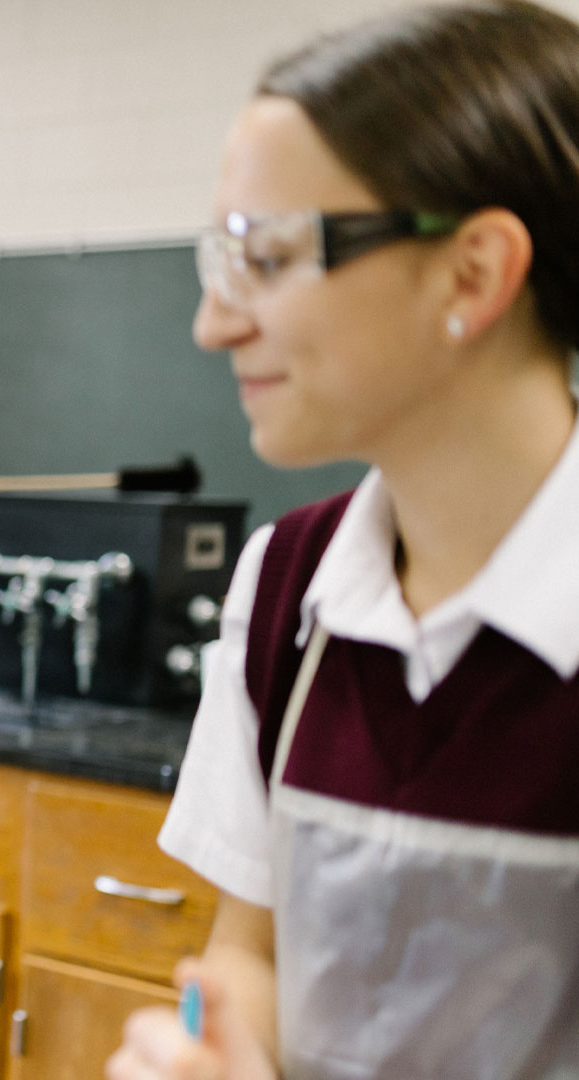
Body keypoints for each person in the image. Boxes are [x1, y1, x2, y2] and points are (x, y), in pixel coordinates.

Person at [108, 3, 579, 1077]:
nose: (213, 324)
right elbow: (247, 955)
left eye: (267, 258)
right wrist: (209, 1050)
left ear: (472, 275)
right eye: (219, 259)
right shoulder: (289, 586)